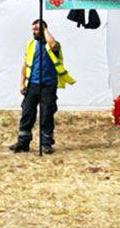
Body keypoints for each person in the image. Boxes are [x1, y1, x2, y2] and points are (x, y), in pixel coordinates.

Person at [9, 19, 74, 154]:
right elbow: (25, 65)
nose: (34, 31)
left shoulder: (52, 45)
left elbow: (53, 44)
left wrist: (44, 30)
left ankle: (46, 144)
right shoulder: (31, 44)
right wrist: (21, 83)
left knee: (46, 114)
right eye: (32, 29)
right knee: (27, 113)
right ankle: (23, 142)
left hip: (48, 85)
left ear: (44, 29)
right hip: (32, 85)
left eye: (36, 29)